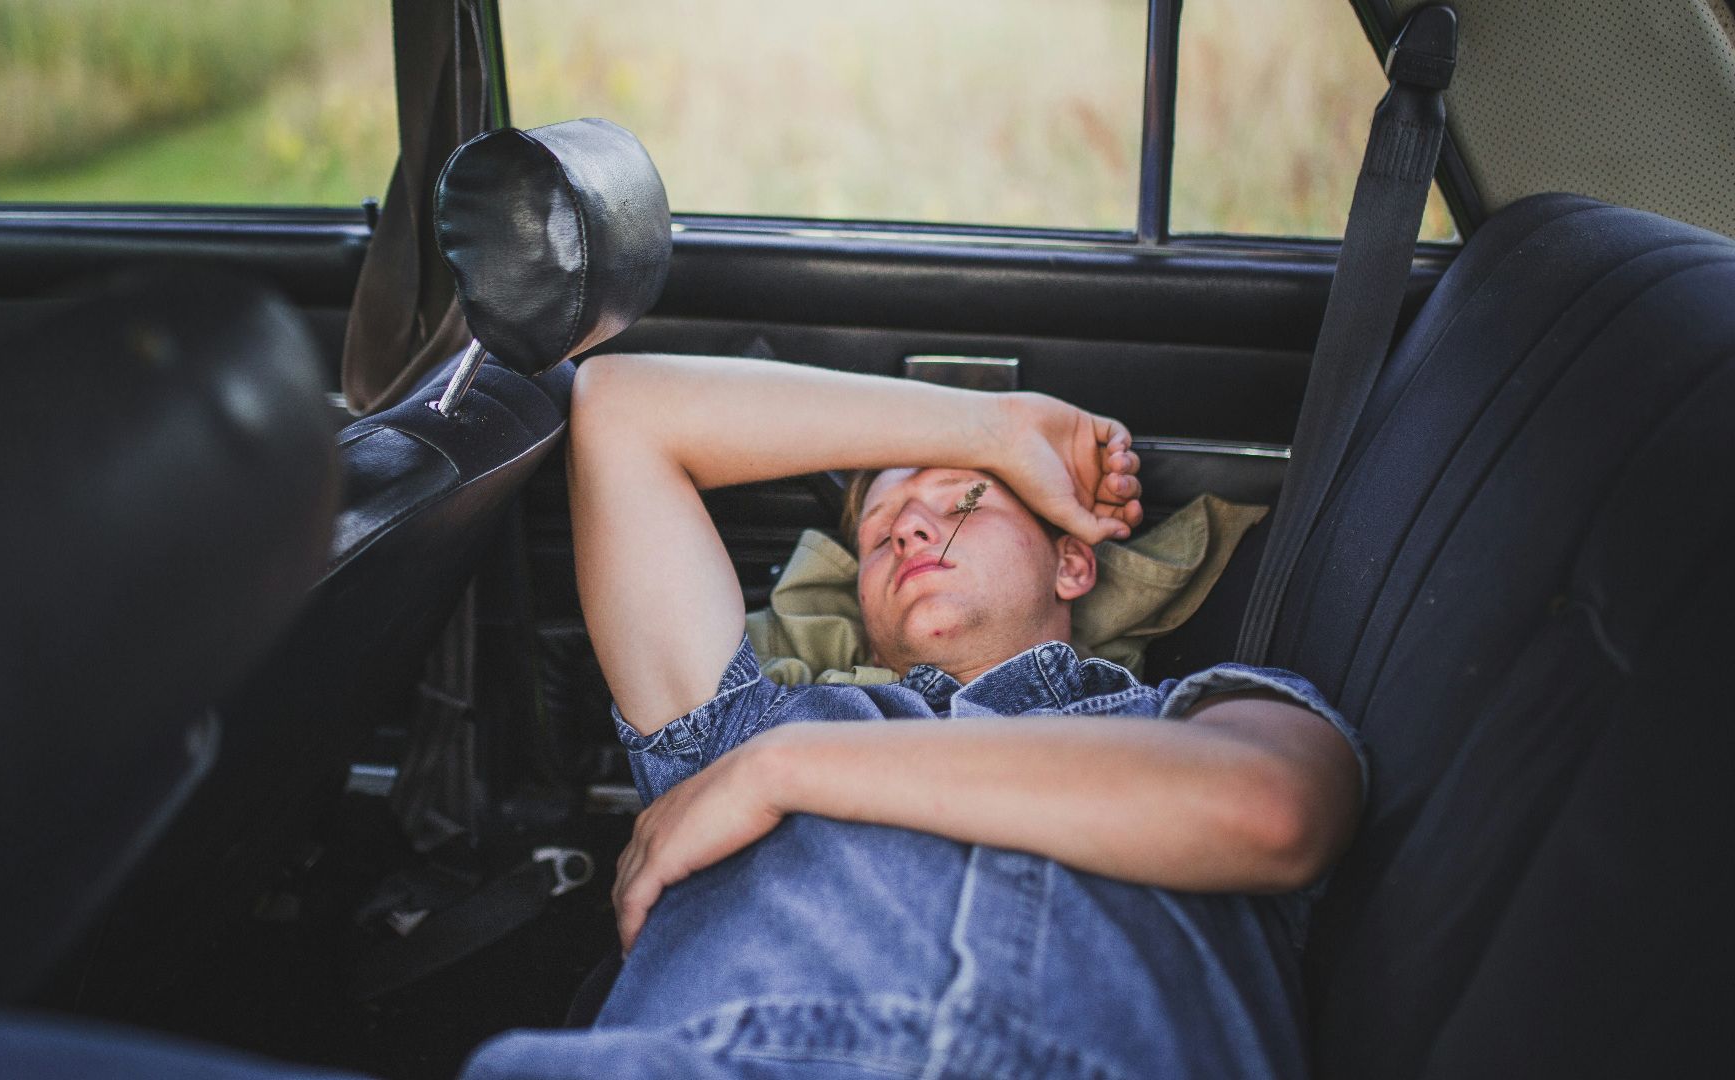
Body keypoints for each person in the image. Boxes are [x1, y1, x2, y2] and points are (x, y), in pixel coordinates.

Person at [461, 354, 1366, 1080]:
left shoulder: (1192, 718)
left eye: (965, 499)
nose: (909, 532)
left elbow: (1274, 811)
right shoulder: (732, 729)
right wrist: (993, 431)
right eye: (881, 529)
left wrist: (787, 771)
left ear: (1073, 565)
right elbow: (622, 410)